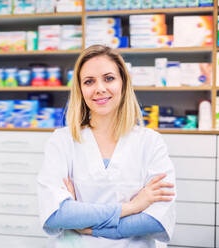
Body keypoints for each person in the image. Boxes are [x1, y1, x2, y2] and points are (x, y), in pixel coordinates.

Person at [37, 44, 176, 247]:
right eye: (89, 81)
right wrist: (131, 207)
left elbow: (155, 220)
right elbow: (56, 214)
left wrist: (84, 225)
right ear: (80, 89)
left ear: (123, 83)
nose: (100, 88)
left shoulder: (150, 142)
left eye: (109, 78)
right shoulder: (62, 141)